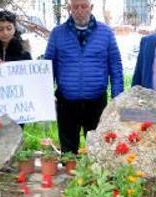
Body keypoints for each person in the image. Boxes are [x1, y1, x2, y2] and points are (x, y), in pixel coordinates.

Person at [44, 0, 123, 154]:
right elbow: (48, 66)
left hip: (97, 102)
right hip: (67, 102)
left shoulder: (106, 33)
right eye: (75, 6)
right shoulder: (57, 33)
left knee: (98, 150)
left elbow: (115, 66)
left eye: (84, 6)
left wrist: (117, 97)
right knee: (68, 152)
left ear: (91, 8)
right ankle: (69, 173)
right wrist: (47, 94)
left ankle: (95, 177)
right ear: (69, 9)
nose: (80, 10)